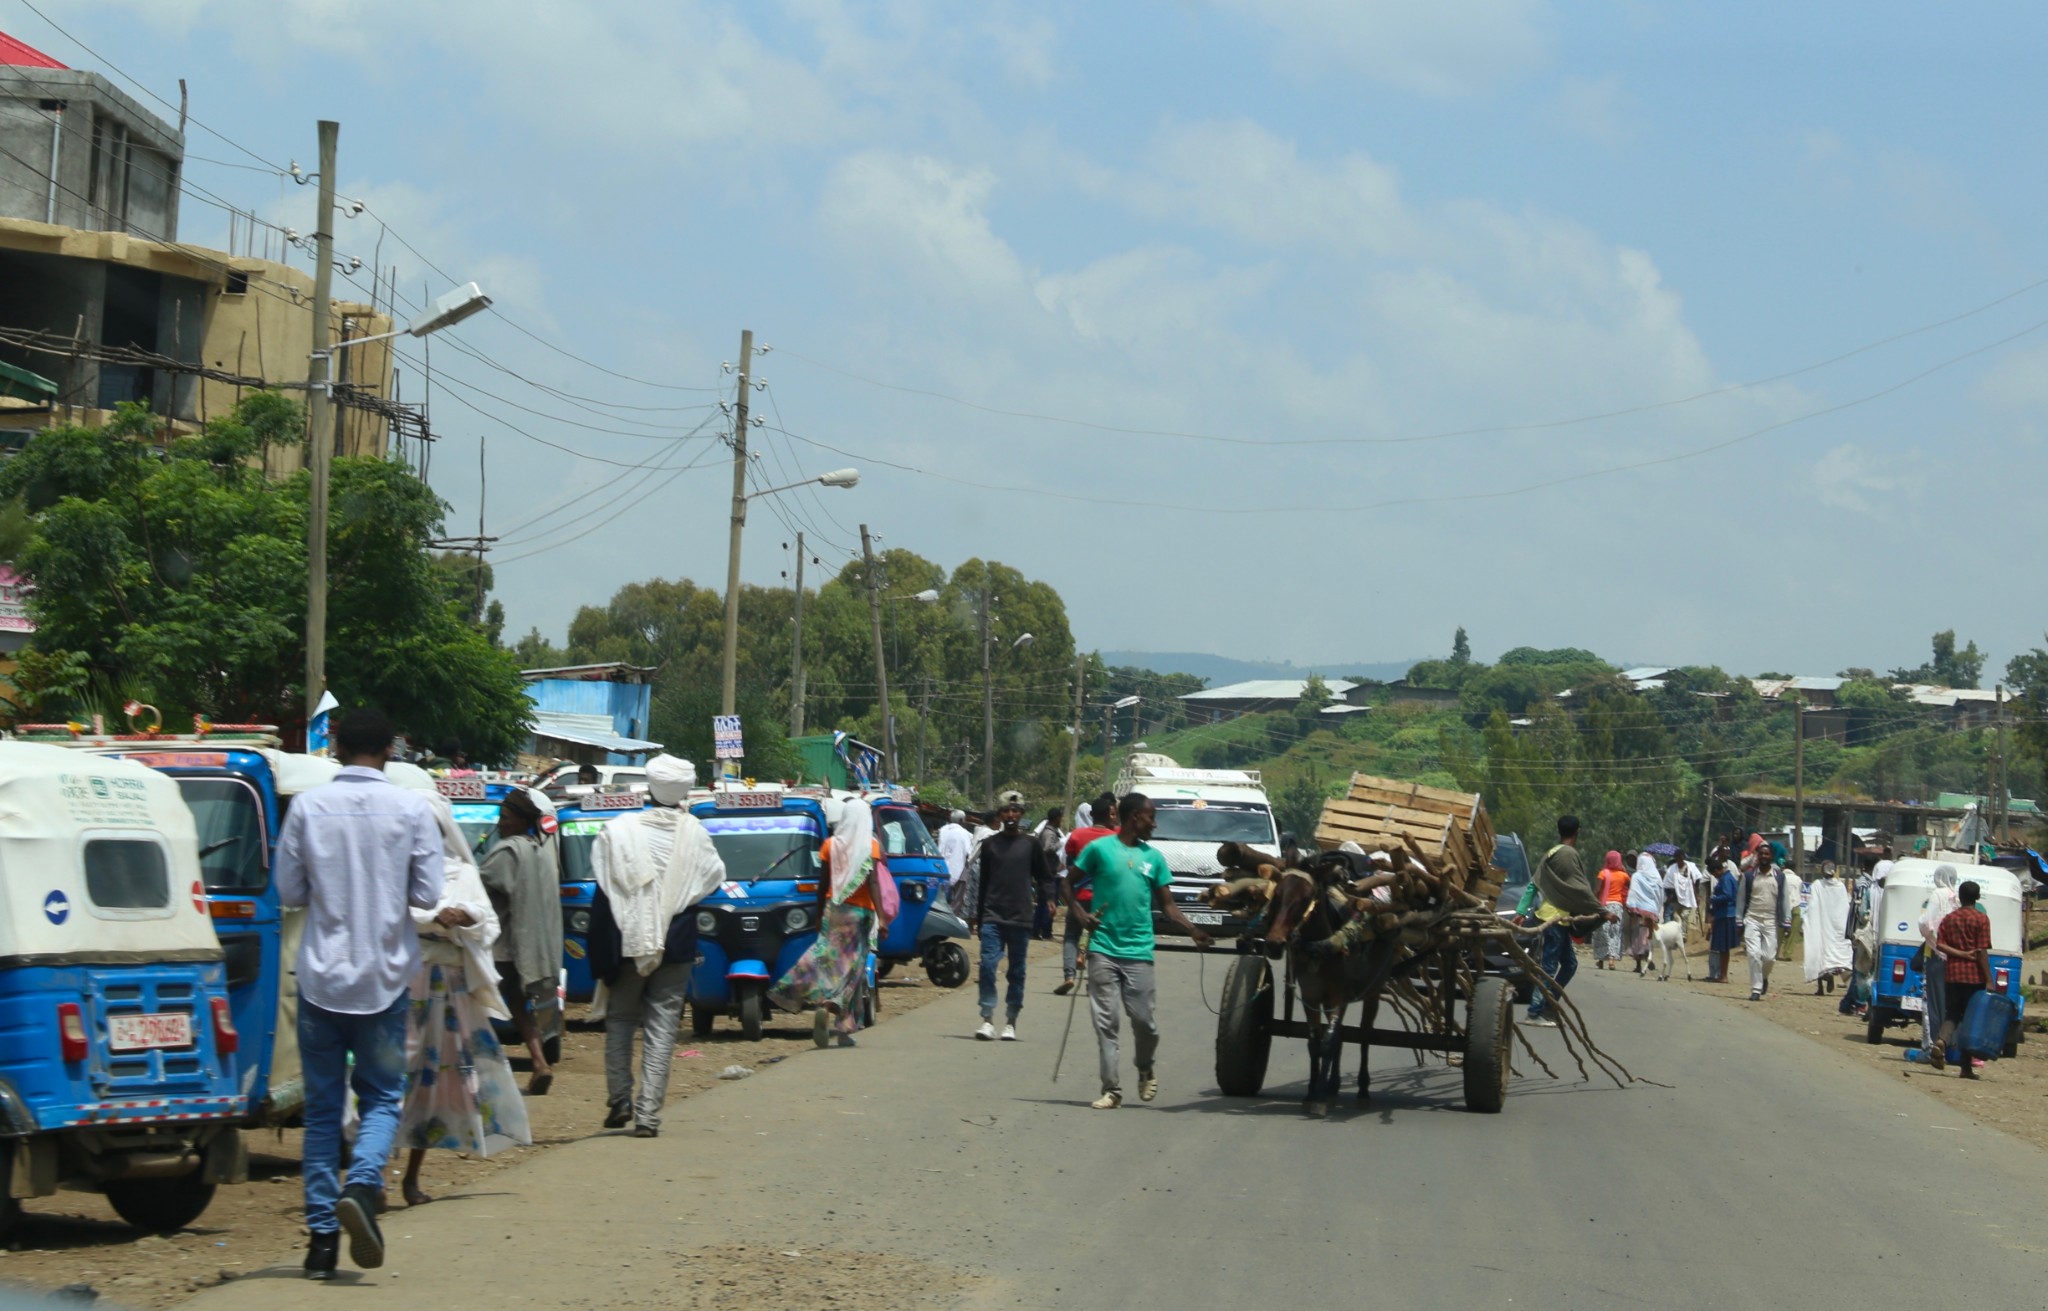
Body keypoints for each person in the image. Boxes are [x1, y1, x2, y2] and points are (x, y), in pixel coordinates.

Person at [274, 709, 443, 1279]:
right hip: (385, 981)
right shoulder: (411, 808)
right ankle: (365, 1183)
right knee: (381, 1097)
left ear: (337, 749)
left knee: (322, 1112)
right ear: (389, 751)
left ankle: (321, 1243)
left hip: (321, 980)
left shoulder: (307, 807)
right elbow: (427, 895)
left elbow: (289, 891)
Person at [385, 763, 530, 1208]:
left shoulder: (461, 871)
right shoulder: (390, 870)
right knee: (388, 1080)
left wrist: (462, 916)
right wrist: (432, 919)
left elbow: (485, 921)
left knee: (434, 1083)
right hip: (398, 985)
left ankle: (410, 1178)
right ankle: (371, 1181)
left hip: (447, 993)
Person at [589, 754, 725, 1134]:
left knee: (620, 1021)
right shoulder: (695, 832)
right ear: (684, 790)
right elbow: (711, 878)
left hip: (627, 938)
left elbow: (605, 891)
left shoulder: (618, 830)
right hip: (677, 941)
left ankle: (619, 1100)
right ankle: (647, 1115)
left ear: (650, 787)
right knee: (662, 1029)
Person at [1067, 792, 1212, 1108]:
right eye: (1151, 817)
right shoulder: (1099, 850)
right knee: (1106, 1022)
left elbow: (1168, 906)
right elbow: (1066, 883)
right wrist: (1081, 914)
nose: (1154, 823)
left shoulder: (1154, 858)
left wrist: (1193, 931)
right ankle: (1112, 1090)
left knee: (1145, 1022)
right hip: (1103, 947)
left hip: (1139, 951)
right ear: (1135, 817)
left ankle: (1145, 1066)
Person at [771, 795, 889, 1047]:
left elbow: (822, 883)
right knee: (853, 969)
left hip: (833, 911)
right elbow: (874, 882)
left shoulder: (829, 845)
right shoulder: (871, 846)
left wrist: (818, 915)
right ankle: (844, 1027)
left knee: (827, 961)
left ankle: (820, 1001)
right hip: (860, 915)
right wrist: (883, 917)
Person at [479, 790, 562, 1095]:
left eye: (505, 818)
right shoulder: (539, 851)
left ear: (521, 821)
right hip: (530, 947)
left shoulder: (507, 851)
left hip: (503, 946)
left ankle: (484, 1072)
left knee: (478, 1004)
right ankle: (540, 1063)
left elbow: (480, 887)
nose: (500, 824)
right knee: (517, 1005)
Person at [972, 791, 1052, 1041]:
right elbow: (983, 883)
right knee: (987, 966)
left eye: (1015, 811)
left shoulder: (1031, 844)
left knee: (1017, 971)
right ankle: (987, 1019)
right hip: (993, 915)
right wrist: (978, 916)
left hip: (1020, 917)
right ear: (1000, 814)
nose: (1011, 815)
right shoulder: (989, 845)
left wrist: (1049, 898)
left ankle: (1011, 1021)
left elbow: (1045, 877)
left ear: (1022, 815)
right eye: (1006, 811)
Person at [1525, 815, 1602, 1027]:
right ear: (1578, 831)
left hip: (1556, 919)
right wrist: (1602, 911)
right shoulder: (1569, 855)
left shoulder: (1551, 852)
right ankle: (1534, 1013)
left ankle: (1549, 1005)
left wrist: (1522, 910)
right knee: (1549, 968)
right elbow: (1579, 889)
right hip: (1555, 920)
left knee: (1570, 964)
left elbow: (1534, 884)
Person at [1055, 793, 1119, 995]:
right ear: (1110, 814)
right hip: (1104, 899)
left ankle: (1069, 976)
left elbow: (1069, 862)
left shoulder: (1077, 835)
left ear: (1091, 815)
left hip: (1079, 896)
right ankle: (1094, 983)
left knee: (1071, 936)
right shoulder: (1115, 837)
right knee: (1100, 940)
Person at [1928, 879, 1992, 1078]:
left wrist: (1960, 954)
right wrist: (1989, 979)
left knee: (1953, 1014)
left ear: (1960, 897)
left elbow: (1940, 945)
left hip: (1953, 975)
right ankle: (1966, 1068)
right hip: (1974, 977)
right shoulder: (1981, 919)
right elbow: (1981, 951)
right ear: (1977, 898)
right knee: (1971, 1021)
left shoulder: (1949, 919)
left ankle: (1941, 1041)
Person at [1916, 863, 1961, 1060]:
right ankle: (1951, 1047)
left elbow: (1927, 923)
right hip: (1956, 957)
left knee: (1932, 1003)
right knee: (1950, 1004)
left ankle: (1931, 1046)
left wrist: (1933, 941)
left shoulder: (1937, 895)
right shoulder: (1958, 896)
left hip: (1936, 955)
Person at [1739, 847, 1792, 1001]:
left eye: (1766, 854)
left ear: (1771, 857)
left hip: (1771, 921)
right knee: (1754, 954)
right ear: (1757, 856)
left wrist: (1786, 921)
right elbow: (1741, 900)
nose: (1763, 856)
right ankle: (1756, 988)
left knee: (1769, 957)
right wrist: (1738, 920)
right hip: (1752, 919)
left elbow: (1785, 900)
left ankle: (1764, 977)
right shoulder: (1749, 876)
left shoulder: (1780, 877)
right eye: (1761, 853)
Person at [1624, 852, 1663, 975]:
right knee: (1646, 935)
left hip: (1639, 910)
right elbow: (1660, 895)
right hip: (1651, 910)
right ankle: (1646, 953)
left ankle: (1639, 964)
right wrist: (1658, 909)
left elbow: (1633, 893)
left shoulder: (1636, 876)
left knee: (1637, 936)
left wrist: (1630, 907)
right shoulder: (1657, 877)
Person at [1031, 806, 1066, 940]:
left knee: (1042, 902)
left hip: (1049, 872)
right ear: (1057, 819)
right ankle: (1045, 931)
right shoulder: (1049, 833)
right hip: (1049, 873)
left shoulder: (1053, 832)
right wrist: (1060, 844)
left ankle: (1037, 931)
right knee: (1048, 903)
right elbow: (1047, 848)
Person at [1592, 850, 1629, 969]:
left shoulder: (1603, 873)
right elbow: (1630, 886)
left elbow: (1597, 890)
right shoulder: (1624, 876)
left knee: (1602, 932)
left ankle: (1601, 960)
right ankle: (1611, 960)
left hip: (1604, 907)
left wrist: (1592, 902)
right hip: (1617, 906)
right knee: (1614, 933)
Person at [1706, 860, 1741, 983]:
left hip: (1726, 915)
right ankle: (1722, 974)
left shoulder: (1725, 879)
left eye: (1714, 873)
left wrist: (1714, 899)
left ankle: (1723, 975)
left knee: (1723, 947)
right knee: (1723, 948)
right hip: (1725, 915)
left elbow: (1728, 896)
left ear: (1717, 870)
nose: (1714, 876)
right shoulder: (1729, 877)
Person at [937, 809, 975, 890]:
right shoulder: (965, 834)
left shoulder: (943, 830)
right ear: (962, 820)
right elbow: (970, 853)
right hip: (957, 873)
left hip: (940, 870)